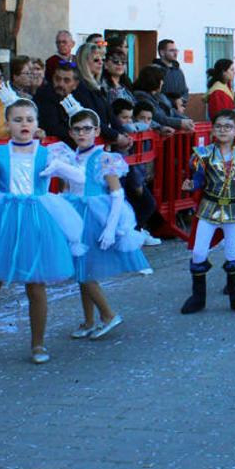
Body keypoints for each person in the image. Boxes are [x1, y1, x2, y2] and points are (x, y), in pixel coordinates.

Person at [0, 99, 83, 365]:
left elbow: (80, 178)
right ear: (7, 124)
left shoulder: (49, 153)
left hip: (37, 218)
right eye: (18, 120)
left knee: (36, 284)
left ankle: (38, 343)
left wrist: (61, 168)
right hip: (2, 219)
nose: (24, 125)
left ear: (37, 124)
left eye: (29, 120)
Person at [47, 104, 146, 341]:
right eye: (77, 129)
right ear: (70, 133)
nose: (82, 134)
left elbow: (117, 194)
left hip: (94, 217)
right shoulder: (69, 156)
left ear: (97, 130)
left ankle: (108, 315)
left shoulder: (104, 158)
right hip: (74, 214)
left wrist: (111, 228)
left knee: (84, 270)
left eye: (87, 129)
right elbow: (66, 187)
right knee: (81, 268)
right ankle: (89, 320)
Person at [179, 109, 235, 315]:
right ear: (213, 130)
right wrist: (192, 185)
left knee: (232, 253)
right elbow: (199, 179)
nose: (223, 130)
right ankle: (198, 297)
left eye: (228, 127)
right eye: (219, 126)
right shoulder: (204, 154)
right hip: (209, 208)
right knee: (199, 252)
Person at [133, 66, 195, 134]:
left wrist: (186, 119)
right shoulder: (141, 96)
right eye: (161, 79)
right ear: (153, 80)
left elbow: (172, 111)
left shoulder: (160, 96)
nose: (162, 83)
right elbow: (158, 117)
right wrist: (180, 123)